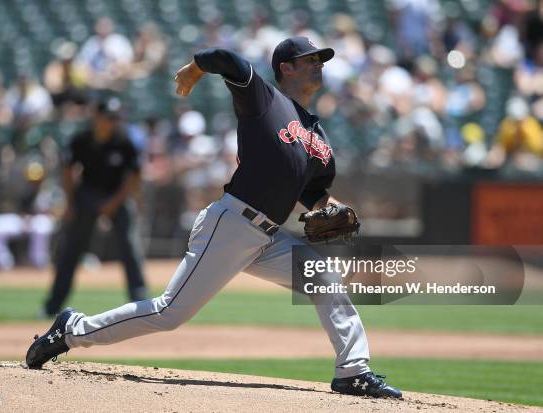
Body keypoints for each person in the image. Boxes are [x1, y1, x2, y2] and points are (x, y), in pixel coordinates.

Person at [26, 37, 402, 399]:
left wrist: (332, 208)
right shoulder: (265, 99)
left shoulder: (315, 131)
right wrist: (196, 68)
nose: (318, 66)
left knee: (324, 278)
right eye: (310, 60)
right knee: (169, 312)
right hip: (232, 224)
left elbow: (312, 192)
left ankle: (353, 372)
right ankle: (71, 330)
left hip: (268, 237)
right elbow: (226, 59)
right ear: (286, 68)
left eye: (321, 61)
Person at [40, 97, 147, 317]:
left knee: (129, 246)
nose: (113, 122)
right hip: (87, 195)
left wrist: (114, 203)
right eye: (109, 117)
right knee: (71, 250)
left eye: (116, 118)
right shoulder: (81, 139)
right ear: (96, 117)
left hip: (117, 195)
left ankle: (140, 303)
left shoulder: (124, 140)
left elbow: (134, 177)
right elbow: (68, 172)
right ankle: (52, 306)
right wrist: (69, 203)